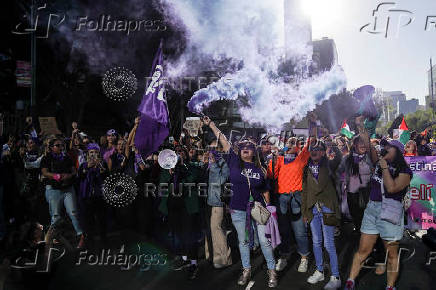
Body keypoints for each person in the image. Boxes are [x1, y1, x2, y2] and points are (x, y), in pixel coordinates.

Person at [203, 116, 277, 288]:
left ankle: (272, 271)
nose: (245, 149)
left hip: (257, 208)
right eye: (242, 147)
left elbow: (265, 190)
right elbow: (223, 139)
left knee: (264, 241)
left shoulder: (260, 169)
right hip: (238, 209)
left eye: (249, 147)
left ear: (254, 152)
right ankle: (246, 269)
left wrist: (271, 210)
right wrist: (212, 125)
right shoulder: (234, 161)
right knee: (243, 242)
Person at [344, 140, 412, 290]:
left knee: (392, 254)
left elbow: (392, 188)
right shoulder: (379, 162)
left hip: (390, 212)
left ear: (398, 151)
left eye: (389, 147)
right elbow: (367, 142)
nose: (385, 148)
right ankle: (350, 282)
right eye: (385, 147)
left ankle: (390, 286)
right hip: (371, 210)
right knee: (363, 250)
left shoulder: (405, 171)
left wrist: (385, 168)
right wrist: (362, 126)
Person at [301, 140, 342, 289]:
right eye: (312, 149)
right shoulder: (306, 168)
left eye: (318, 149)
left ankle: (335, 276)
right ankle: (319, 271)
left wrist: (332, 143)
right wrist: (304, 211)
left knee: (328, 243)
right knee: (316, 242)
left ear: (323, 152)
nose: (314, 151)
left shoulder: (329, 165)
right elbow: (304, 191)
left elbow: (338, 157)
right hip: (312, 209)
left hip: (327, 208)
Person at [267, 136, 311, 273]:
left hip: (296, 198)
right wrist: (274, 158)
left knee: (300, 231)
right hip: (281, 199)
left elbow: (311, 140)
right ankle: (284, 255)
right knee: (284, 230)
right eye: (288, 142)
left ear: (299, 147)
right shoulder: (278, 159)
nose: (290, 144)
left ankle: (304, 258)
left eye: (294, 142)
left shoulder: (301, 158)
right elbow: (271, 176)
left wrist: (313, 123)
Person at [40, 138, 85, 248]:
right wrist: (56, 176)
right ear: (51, 148)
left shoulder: (66, 158)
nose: (61, 147)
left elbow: (74, 171)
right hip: (54, 190)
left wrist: (68, 176)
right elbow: (44, 172)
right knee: (55, 216)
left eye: (62, 145)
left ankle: (81, 236)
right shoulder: (47, 158)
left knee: (73, 213)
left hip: (68, 189)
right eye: (57, 145)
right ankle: (52, 239)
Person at [205, 149, 232, 269]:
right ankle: (210, 254)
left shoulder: (223, 164)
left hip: (217, 202)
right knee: (210, 230)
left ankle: (223, 259)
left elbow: (220, 181)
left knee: (217, 229)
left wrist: (214, 165)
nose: (209, 154)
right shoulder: (209, 164)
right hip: (208, 202)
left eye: (212, 152)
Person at [77, 143, 108, 244]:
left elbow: (107, 178)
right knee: (88, 220)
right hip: (87, 197)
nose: (93, 154)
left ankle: (103, 239)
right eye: (91, 152)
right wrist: (87, 168)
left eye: (95, 152)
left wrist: (101, 170)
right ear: (87, 154)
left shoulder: (103, 164)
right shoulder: (83, 165)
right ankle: (89, 240)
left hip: (100, 196)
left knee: (101, 219)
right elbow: (80, 178)